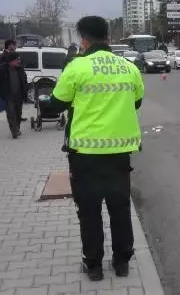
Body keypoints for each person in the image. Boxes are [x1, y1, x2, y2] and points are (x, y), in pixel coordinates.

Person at [43, 16, 144, 281]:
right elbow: (136, 102)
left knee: (89, 213)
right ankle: (122, 263)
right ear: (108, 38)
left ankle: (94, 267)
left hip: (85, 156)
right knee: (120, 209)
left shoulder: (77, 67)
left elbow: (56, 103)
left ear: (83, 39)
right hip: (120, 155)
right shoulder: (128, 67)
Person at [0, 52, 28, 139]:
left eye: (19, 59)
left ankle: (17, 128)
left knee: (18, 113)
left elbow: (24, 80)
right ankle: (14, 131)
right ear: (11, 61)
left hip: (19, 95)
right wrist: (0, 92)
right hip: (8, 96)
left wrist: (25, 90)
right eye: (17, 60)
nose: (19, 61)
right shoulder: (0, 69)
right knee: (11, 114)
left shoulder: (20, 69)